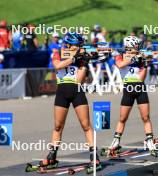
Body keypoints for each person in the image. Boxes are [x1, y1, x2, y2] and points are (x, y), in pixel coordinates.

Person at [40, 32, 101, 172]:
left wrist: (84, 62)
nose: (79, 47)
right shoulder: (58, 53)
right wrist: (74, 58)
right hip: (62, 91)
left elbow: (79, 80)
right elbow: (57, 66)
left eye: (79, 45)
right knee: (57, 126)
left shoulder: (82, 55)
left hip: (77, 91)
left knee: (86, 125)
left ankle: (93, 156)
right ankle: (52, 155)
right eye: (76, 45)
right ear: (67, 45)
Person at [107, 36, 157, 157]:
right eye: (137, 46)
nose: (139, 48)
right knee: (122, 118)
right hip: (128, 89)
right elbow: (120, 65)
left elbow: (141, 78)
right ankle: (116, 141)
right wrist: (135, 57)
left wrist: (144, 64)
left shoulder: (140, 57)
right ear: (130, 46)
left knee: (145, 117)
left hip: (140, 88)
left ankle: (150, 141)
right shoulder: (120, 55)